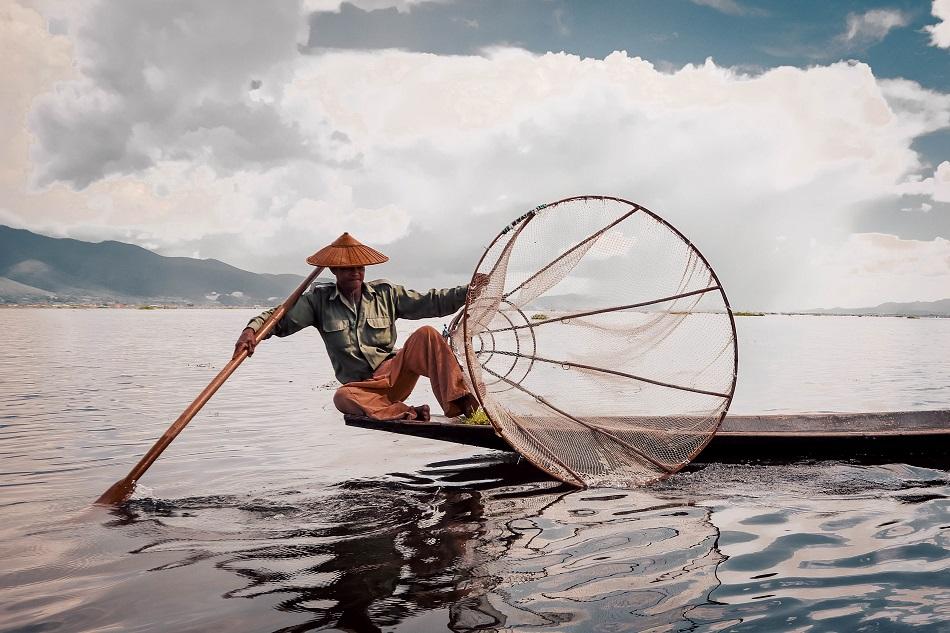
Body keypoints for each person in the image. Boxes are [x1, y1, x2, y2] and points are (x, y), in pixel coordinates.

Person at [233, 232, 485, 421]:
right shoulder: (317, 302)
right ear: (334, 270)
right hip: (365, 389)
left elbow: (431, 301)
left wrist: (469, 291)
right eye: (347, 268)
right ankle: (407, 413)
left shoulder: (386, 293)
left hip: (395, 374)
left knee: (427, 335)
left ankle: (464, 405)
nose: (355, 272)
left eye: (359, 267)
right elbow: (278, 319)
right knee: (342, 397)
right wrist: (251, 331)